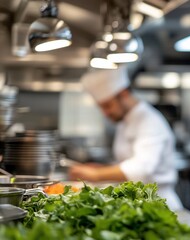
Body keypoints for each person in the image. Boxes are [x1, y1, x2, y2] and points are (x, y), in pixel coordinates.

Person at [68, 66, 183, 211]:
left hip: (159, 204)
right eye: (101, 107)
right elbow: (126, 163)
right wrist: (103, 169)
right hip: (137, 204)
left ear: (123, 94)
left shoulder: (150, 121)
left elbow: (142, 169)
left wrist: (96, 174)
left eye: (108, 105)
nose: (105, 113)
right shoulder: (125, 121)